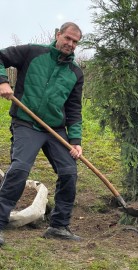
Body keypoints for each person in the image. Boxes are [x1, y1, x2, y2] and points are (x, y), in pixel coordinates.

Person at [0, 22, 84, 246]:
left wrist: (75, 141)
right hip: (26, 123)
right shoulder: (33, 52)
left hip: (55, 130)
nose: (70, 44)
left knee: (69, 172)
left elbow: (74, 109)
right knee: (19, 169)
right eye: (67, 38)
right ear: (58, 35)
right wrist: (2, 81)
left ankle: (58, 226)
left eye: (75, 42)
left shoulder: (75, 73)